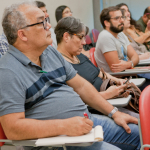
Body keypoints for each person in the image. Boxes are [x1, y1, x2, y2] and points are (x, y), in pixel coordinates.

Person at [0, 1, 140, 150]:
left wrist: (114, 112)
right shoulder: (8, 71)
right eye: (42, 22)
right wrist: (63, 126)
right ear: (22, 34)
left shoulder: (49, 52)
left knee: (141, 133)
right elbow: (13, 128)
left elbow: (81, 86)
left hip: (85, 122)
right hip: (56, 140)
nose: (49, 26)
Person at [55, 16, 139, 118]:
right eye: (80, 37)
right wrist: (107, 94)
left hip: (110, 99)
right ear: (66, 37)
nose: (84, 42)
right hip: (97, 108)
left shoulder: (79, 56)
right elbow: (74, 100)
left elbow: (100, 73)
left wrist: (118, 81)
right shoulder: (59, 65)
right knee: (140, 121)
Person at [94, 6, 139, 73]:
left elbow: (135, 56)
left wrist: (128, 64)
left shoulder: (120, 34)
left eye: (122, 17)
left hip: (128, 73)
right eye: (117, 18)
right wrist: (131, 63)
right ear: (107, 23)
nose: (122, 20)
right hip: (118, 79)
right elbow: (116, 70)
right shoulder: (105, 36)